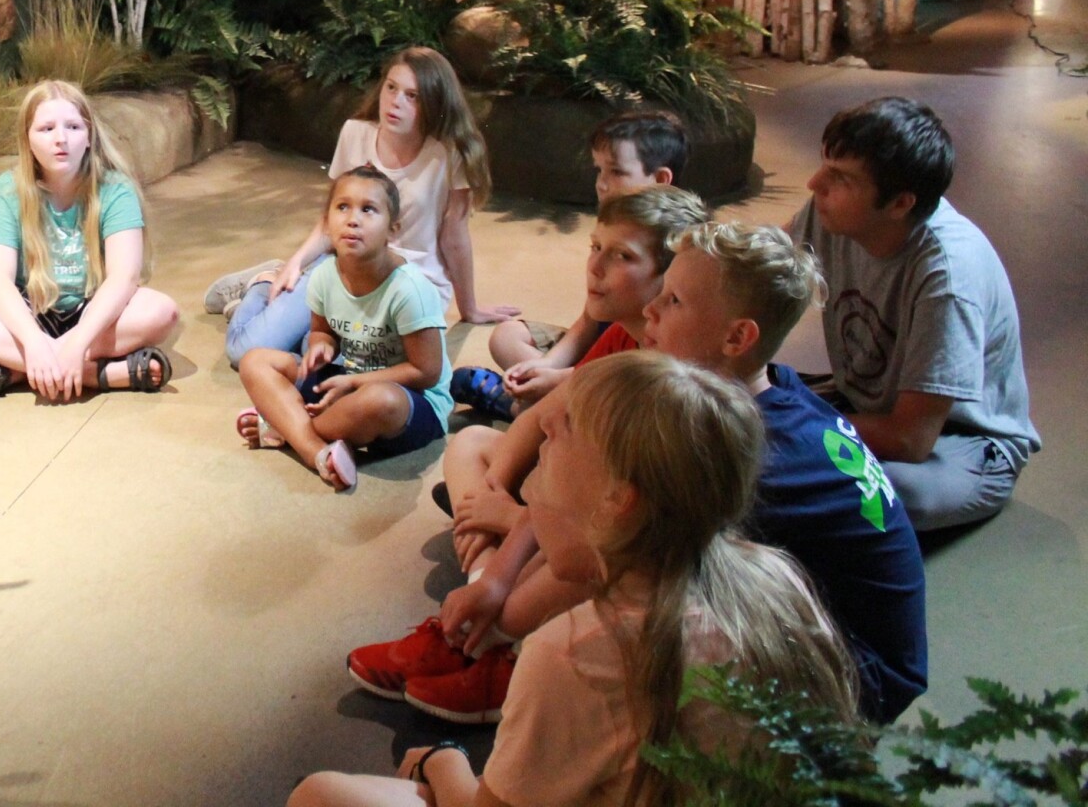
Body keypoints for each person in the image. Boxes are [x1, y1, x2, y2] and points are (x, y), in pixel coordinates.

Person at [354, 223, 929, 727]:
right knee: (589, 508)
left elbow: (601, 547)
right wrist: (496, 581)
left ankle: (488, 653)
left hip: (847, 680)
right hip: (787, 618)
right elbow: (567, 476)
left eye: (674, 300)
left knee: (621, 549)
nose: (651, 309)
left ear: (737, 337)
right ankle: (487, 632)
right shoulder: (739, 390)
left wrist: (498, 601)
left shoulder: (750, 446)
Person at [299, 352, 861, 807]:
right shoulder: (775, 580)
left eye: (556, 438)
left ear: (618, 501)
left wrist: (444, 761)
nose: (538, 441)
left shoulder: (575, 654)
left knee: (320, 796)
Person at [791, 97, 1039, 531]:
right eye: (825, 165)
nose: (815, 183)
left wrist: (788, 425)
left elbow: (910, 439)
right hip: (865, 403)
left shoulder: (947, 275)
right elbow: (755, 283)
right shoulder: (827, 214)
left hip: (960, 442)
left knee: (858, 491)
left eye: (841, 178)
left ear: (900, 204)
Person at [205, 47, 516, 365]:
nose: (396, 102)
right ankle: (262, 284)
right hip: (346, 268)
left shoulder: (449, 154)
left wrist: (470, 308)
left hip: (412, 279)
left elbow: (454, 237)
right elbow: (332, 219)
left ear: (434, 103)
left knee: (333, 362)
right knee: (246, 351)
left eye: (413, 96)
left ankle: (285, 313)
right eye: (391, 88)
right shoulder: (356, 133)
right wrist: (296, 263)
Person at [440, 186, 706, 539]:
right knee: (470, 444)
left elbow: (626, 513)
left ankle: (490, 565)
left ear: (670, 278)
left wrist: (510, 517)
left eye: (623, 256)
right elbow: (546, 413)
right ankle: (486, 565)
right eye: (595, 247)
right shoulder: (619, 335)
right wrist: (495, 489)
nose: (595, 267)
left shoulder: (672, 371)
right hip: (571, 490)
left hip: (611, 525)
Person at [0, 80, 179, 403]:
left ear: (90, 136)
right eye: (46, 128)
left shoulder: (115, 190)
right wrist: (34, 342)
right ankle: (99, 374)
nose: (60, 139)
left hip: (95, 314)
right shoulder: (6, 192)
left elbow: (124, 278)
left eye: (74, 127)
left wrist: (79, 342)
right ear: (28, 140)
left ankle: (19, 371)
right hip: (32, 312)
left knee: (162, 311)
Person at [235, 166, 451, 491]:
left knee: (380, 401)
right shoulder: (324, 276)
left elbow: (426, 371)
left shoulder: (410, 290)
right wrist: (322, 347)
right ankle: (315, 450)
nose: (353, 219)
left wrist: (354, 383)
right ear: (327, 222)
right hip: (344, 379)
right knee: (255, 361)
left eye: (368, 210)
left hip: (408, 400)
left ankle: (287, 428)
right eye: (342, 207)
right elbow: (322, 331)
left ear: (392, 230)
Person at [483, 110, 688, 374]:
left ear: (660, 179)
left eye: (616, 171)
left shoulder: (677, 247)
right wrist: (547, 366)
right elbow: (588, 322)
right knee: (506, 337)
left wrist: (558, 380)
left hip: (634, 367)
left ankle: (534, 400)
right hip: (599, 353)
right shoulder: (611, 225)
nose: (602, 184)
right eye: (599, 170)